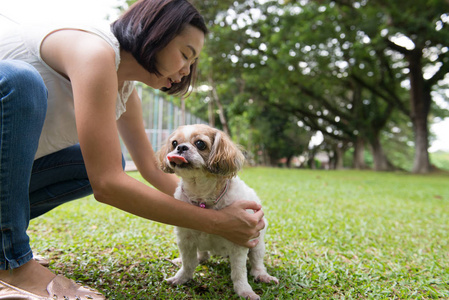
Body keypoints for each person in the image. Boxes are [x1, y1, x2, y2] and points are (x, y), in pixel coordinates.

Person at [0, 0, 265, 298]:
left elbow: (151, 169)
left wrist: (218, 204)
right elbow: (108, 185)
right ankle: (11, 266)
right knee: (19, 81)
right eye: (184, 55)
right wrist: (218, 222)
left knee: (83, 165)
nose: (187, 71)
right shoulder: (94, 48)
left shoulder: (124, 90)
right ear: (156, 32)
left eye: (192, 63)